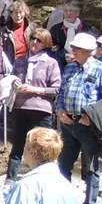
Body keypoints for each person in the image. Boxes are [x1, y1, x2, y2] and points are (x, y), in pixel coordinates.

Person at [55, 33, 102, 204]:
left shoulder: (101, 69)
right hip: (68, 123)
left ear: (87, 52)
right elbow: (62, 91)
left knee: (91, 167)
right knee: (64, 165)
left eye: (76, 49)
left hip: (87, 126)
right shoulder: (70, 68)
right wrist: (60, 109)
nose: (73, 52)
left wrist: (91, 117)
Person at [6, 29, 60, 181]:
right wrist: (14, 82)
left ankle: (44, 179)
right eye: (33, 39)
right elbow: (11, 77)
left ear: (46, 44)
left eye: (39, 40)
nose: (34, 42)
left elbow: (56, 88)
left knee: (43, 145)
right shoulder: (20, 60)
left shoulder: (51, 63)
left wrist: (35, 89)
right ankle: (10, 179)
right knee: (17, 144)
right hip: (20, 106)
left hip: (41, 109)